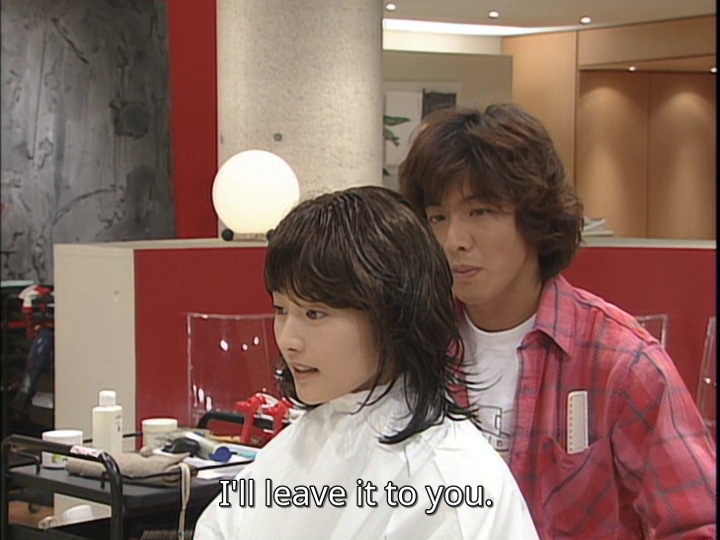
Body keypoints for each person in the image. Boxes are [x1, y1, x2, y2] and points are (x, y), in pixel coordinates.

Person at [398, 103, 717, 539]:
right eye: (438, 218)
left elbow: (698, 521)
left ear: (535, 217)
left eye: (480, 212)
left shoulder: (620, 362)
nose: (454, 241)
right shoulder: (416, 347)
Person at [194, 186, 539, 539]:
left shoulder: (448, 483)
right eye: (281, 310)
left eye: (314, 314)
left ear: (392, 316)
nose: (288, 340)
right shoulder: (307, 436)